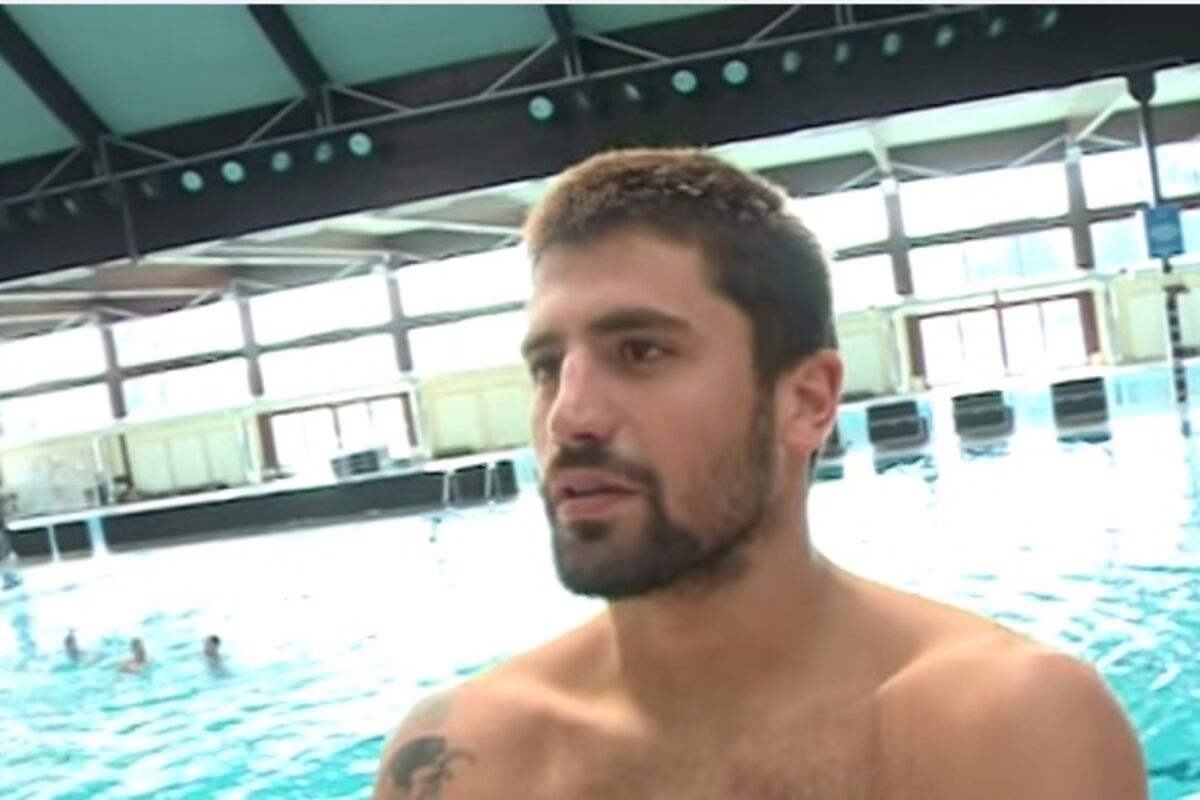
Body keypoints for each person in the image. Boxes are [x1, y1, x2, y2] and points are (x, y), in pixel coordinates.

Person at [373, 149, 1147, 799]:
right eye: (548, 366)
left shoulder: (1003, 730)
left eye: (641, 351)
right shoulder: (467, 757)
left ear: (806, 402)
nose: (568, 417)